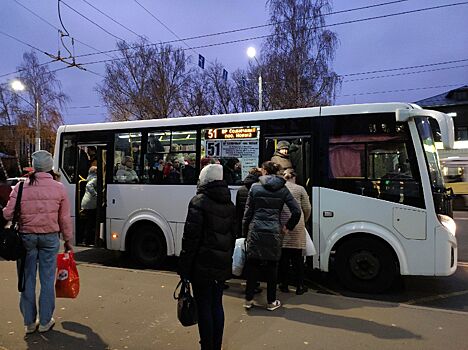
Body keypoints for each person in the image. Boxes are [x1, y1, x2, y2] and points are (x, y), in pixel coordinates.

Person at [2, 150, 73, 334]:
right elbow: (64, 218)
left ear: (33, 167)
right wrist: (68, 240)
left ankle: (29, 322)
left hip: (26, 238)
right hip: (50, 237)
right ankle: (45, 321)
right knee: (48, 279)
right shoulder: (59, 188)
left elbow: (8, 214)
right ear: (50, 167)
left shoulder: (21, 187)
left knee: (27, 279)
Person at [178, 164, 236, 350]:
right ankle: (216, 346)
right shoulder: (229, 203)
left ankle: (207, 347)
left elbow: (190, 240)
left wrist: (184, 268)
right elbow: (233, 236)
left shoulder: (199, 201)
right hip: (221, 264)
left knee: (204, 307)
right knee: (217, 306)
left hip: (201, 265)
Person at [242, 161, 301, 311]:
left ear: (264, 171)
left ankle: (248, 300)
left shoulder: (255, 188)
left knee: (253, 265)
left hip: (256, 230)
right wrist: (287, 227)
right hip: (274, 231)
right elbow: (297, 211)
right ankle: (271, 301)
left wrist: (244, 232)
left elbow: (247, 214)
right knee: (272, 266)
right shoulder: (283, 189)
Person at [279, 168, 312, 295]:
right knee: (297, 258)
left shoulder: (280, 188)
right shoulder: (300, 189)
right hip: (297, 225)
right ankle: (299, 286)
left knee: (284, 258)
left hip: (282, 225)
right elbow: (307, 208)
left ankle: (284, 285)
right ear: (294, 177)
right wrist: (304, 219)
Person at [235, 167, 262, 238]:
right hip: (257, 224)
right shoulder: (261, 189)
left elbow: (238, 212)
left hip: (243, 224)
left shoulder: (241, 189)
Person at [80, 166, 98, 246]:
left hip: (86, 202)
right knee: (91, 223)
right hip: (91, 203)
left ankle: (86, 240)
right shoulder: (95, 178)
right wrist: (96, 195)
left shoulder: (89, 177)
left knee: (88, 222)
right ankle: (88, 240)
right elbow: (89, 186)